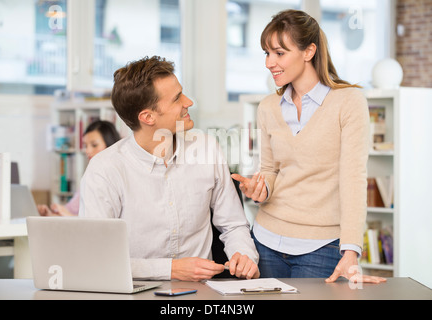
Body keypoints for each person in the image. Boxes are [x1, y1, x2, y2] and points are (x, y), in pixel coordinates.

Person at [231, 9, 386, 284]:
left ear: (309, 51)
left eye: (279, 53)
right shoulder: (268, 107)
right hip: (265, 240)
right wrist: (260, 187)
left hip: (321, 246)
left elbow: (353, 178)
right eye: (266, 53)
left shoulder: (348, 102)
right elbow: (270, 169)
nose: (269, 62)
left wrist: (351, 250)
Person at [79, 56, 259, 281]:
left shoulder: (207, 149)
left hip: (202, 294)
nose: (188, 102)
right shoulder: (104, 170)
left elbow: (233, 225)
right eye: (176, 99)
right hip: (135, 292)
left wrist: (244, 255)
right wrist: (170, 270)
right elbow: (98, 258)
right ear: (147, 117)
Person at [37, 120, 120, 216]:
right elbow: (69, 211)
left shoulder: (116, 179)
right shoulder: (89, 176)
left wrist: (68, 216)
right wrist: (50, 214)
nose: (87, 151)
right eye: (85, 145)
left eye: (94, 145)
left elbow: (101, 223)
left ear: (110, 146)